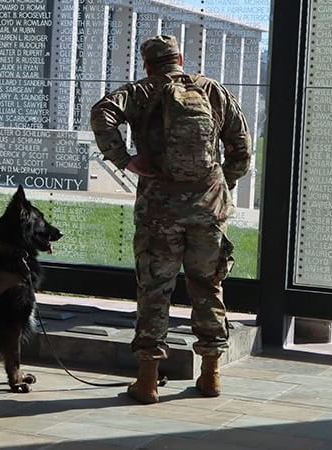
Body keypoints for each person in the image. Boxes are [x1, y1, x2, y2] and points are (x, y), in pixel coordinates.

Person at [90, 35, 251, 404]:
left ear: (148, 64)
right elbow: (241, 148)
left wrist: (125, 159)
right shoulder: (212, 90)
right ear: (180, 58)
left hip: (158, 212)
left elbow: (102, 114)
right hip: (208, 211)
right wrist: (219, 184)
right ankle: (211, 376)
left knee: (154, 291)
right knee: (208, 287)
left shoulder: (140, 92)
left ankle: (147, 382)